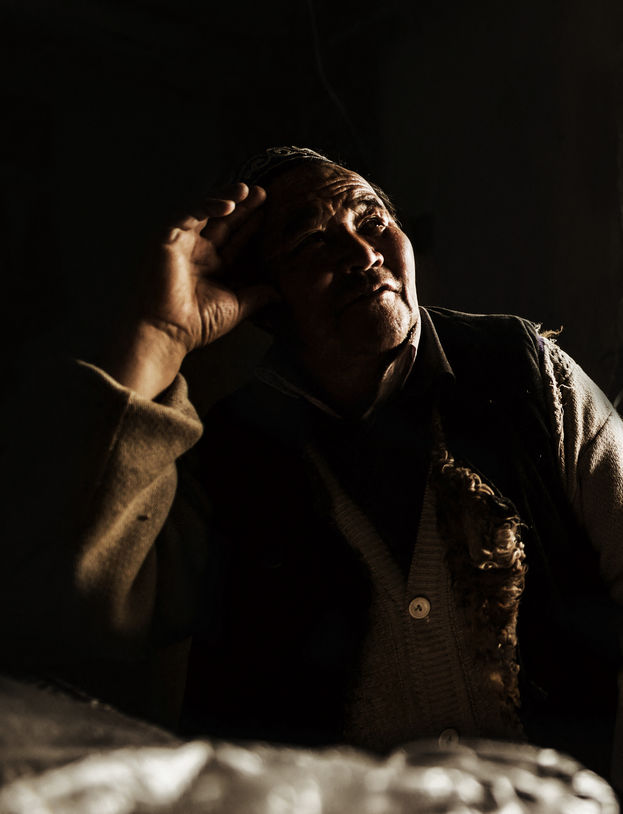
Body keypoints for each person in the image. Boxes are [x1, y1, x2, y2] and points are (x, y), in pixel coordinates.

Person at [1, 146, 622, 790]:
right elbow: (89, 610)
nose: (362, 254)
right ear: (262, 300)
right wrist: (160, 334)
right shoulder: (234, 452)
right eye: (311, 243)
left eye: (373, 220)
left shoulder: (525, 372)